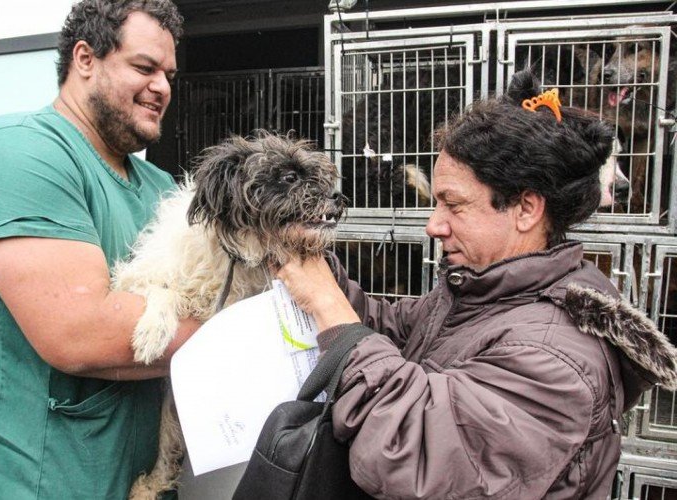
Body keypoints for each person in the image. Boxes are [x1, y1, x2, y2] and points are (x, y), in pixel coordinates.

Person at [276, 70, 677, 499]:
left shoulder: (553, 357)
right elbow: (388, 326)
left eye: (453, 204)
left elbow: (412, 455)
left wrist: (328, 307)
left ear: (525, 209)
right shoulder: (484, 295)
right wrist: (315, 265)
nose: (433, 225)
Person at [0, 1, 200, 498]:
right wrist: (247, 333)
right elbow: (81, 332)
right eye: (144, 67)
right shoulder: (18, 152)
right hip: (17, 482)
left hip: (128, 482)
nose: (162, 87)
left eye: (169, 74)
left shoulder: (158, 186)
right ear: (85, 59)